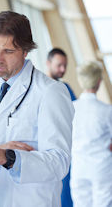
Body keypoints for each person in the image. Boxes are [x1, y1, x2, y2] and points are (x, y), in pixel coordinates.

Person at [0, 11, 74, 207]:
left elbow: (59, 162)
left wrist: (8, 158)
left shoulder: (50, 92)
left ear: (25, 51)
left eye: (8, 51)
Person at [70, 61, 112, 207]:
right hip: (102, 169)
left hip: (79, 168)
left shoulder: (71, 109)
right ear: (99, 81)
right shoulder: (107, 111)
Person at [47, 47, 76, 207]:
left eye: (65, 66)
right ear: (48, 63)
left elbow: (77, 116)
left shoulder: (65, 88)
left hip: (66, 149)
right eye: (59, 65)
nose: (63, 69)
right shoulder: (39, 89)